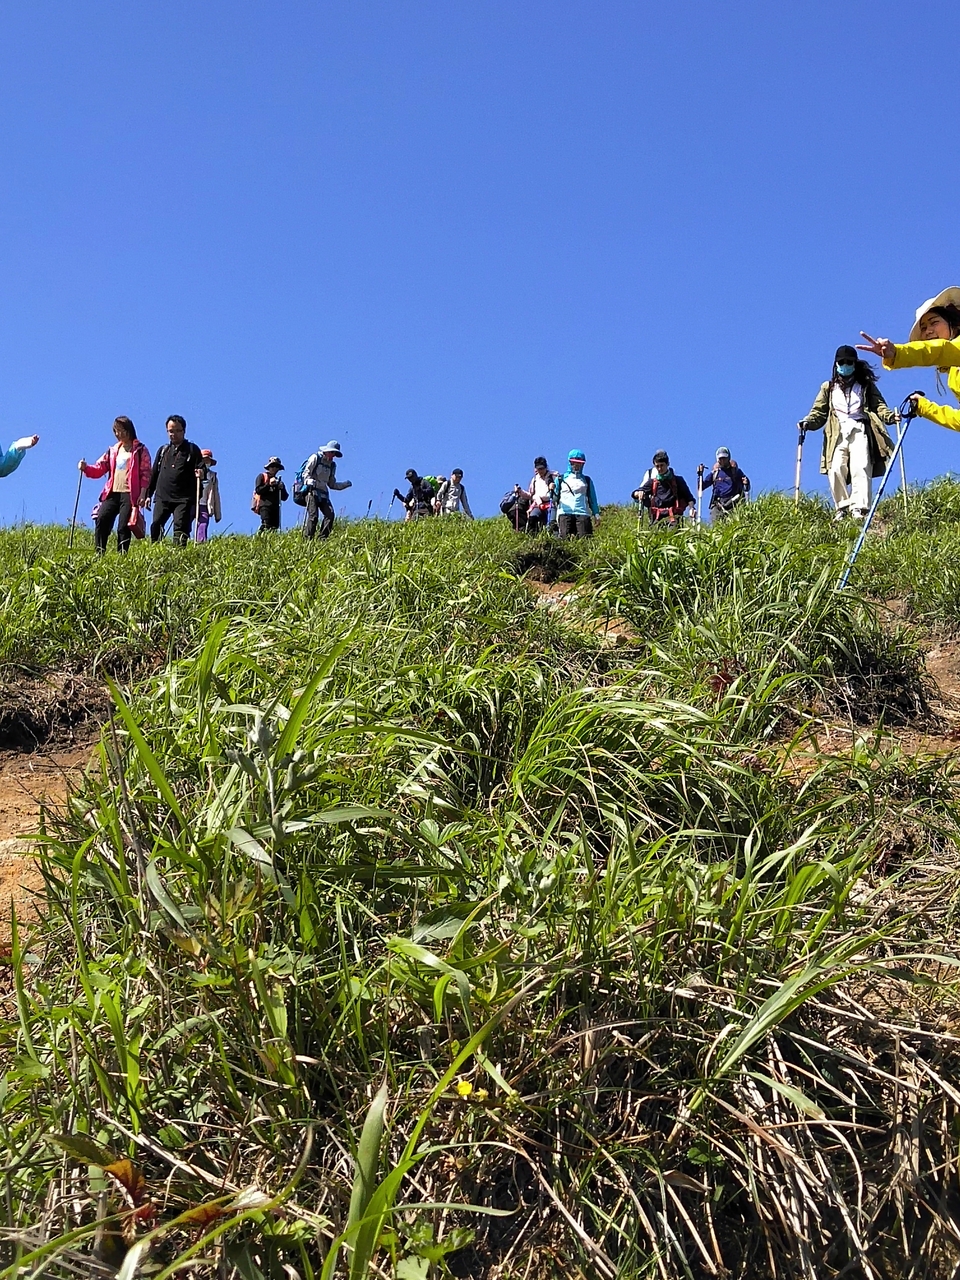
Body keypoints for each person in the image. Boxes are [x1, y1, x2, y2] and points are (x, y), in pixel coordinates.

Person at [798, 345, 898, 521]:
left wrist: (890, 417)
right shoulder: (828, 387)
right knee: (835, 468)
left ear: (855, 363)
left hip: (860, 428)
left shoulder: (865, 385)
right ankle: (842, 507)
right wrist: (807, 422)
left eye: (849, 362)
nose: (845, 365)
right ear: (836, 364)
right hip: (837, 432)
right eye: (842, 362)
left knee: (861, 466)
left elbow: (879, 406)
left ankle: (859, 508)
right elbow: (818, 412)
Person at [858, 288, 960, 431]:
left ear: (955, 324)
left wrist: (897, 353)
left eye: (934, 322)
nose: (928, 331)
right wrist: (923, 406)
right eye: (923, 328)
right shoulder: (953, 373)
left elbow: (938, 350)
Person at [78, 418, 149, 554]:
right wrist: (86, 468)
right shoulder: (113, 451)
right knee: (101, 519)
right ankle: (99, 552)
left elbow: (146, 473)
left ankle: (122, 555)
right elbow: (100, 468)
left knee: (123, 526)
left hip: (129, 493)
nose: (118, 434)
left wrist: (142, 494)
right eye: (115, 431)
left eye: (121, 430)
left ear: (128, 430)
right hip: (112, 492)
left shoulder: (140, 450)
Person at [145, 415, 205, 545]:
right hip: (162, 496)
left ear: (184, 431)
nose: (174, 434)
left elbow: (202, 468)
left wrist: (200, 472)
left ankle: (178, 554)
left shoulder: (192, 450)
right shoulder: (163, 450)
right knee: (156, 524)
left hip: (183, 498)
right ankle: (155, 551)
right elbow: (154, 473)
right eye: (171, 431)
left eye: (178, 431)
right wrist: (148, 495)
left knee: (180, 527)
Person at [303, 439, 352, 539]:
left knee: (330, 515)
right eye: (332, 452)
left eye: (335, 454)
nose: (333, 455)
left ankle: (322, 539)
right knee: (313, 516)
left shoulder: (332, 465)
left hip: (323, 493)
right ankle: (307, 540)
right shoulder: (315, 458)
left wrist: (344, 485)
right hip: (311, 491)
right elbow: (305, 473)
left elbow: (332, 484)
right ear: (327, 451)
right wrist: (308, 481)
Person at [633, 451, 695, 527]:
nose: (659, 469)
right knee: (654, 537)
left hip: (673, 518)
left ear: (668, 464)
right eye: (657, 466)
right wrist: (639, 493)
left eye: (662, 465)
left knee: (672, 536)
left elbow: (689, 497)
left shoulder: (678, 480)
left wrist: (692, 508)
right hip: (657, 518)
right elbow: (635, 493)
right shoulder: (652, 482)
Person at [554, 450, 600, 538]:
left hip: (582, 513)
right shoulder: (561, 479)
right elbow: (554, 498)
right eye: (573, 463)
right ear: (569, 462)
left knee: (585, 539)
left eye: (579, 463)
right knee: (564, 539)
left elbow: (592, 499)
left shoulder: (587, 480)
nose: (576, 465)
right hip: (564, 512)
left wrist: (596, 514)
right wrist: (552, 489)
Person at [698, 448, 750, 519]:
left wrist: (746, 483)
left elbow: (746, 487)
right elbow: (701, 487)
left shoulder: (735, 471)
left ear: (728, 458)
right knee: (715, 527)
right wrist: (700, 474)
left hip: (733, 503)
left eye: (724, 458)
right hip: (718, 504)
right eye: (720, 458)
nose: (722, 461)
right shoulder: (715, 473)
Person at [254, 457, 288, 531]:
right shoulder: (262, 476)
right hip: (265, 505)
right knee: (266, 523)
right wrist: (268, 484)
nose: (274, 468)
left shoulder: (278, 481)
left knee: (274, 527)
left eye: (276, 467)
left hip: (275, 507)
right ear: (268, 467)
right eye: (272, 466)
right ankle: (261, 538)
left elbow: (284, 497)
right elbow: (258, 490)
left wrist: (281, 488)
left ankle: (270, 540)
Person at [195, 449, 221, 542]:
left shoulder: (212, 476)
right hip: (192, 502)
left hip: (205, 504)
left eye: (208, 460)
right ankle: (182, 540)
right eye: (204, 460)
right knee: (186, 522)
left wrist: (218, 514)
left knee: (203, 522)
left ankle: (200, 542)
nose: (206, 462)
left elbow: (215, 494)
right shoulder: (194, 473)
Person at [525, 457, 556, 534]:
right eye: (538, 469)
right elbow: (531, 495)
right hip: (539, 504)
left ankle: (555, 538)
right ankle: (532, 537)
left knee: (552, 522)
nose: (540, 471)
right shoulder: (534, 480)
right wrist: (520, 492)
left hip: (551, 503)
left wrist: (553, 486)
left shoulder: (553, 476)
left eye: (542, 468)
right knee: (532, 518)